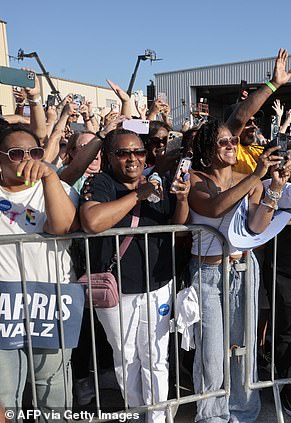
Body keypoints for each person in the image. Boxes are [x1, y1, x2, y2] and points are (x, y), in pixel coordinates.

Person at [80, 128, 190, 423]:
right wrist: (137, 195)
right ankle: (138, 415)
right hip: (119, 292)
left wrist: (181, 200)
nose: (133, 158)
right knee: (126, 358)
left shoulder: (160, 183)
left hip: (158, 286)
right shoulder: (100, 183)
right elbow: (92, 221)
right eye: (124, 152)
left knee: (156, 357)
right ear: (109, 157)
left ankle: (156, 418)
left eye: (139, 152)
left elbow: (177, 227)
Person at [188, 117, 290, 423]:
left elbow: (255, 226)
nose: (232, 146)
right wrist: (257, 175)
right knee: (212, 355)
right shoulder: (195, 178)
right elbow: (214, 207)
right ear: (207, 148)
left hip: (244, 271)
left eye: (234, 141)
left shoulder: (251, 181)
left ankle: (243, 413)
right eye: (224, 141)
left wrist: (274, 189)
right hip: (207, 275)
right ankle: (211, 417)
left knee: (242, 349)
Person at [0, 124, 79, 420]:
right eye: (16, 153)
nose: (27, 159)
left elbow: (61, 228)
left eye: (34, 152)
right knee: (4, 395)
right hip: (3, 307)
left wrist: (49, 176)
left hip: (48, 302)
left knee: (52, 390)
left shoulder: (57, 187)